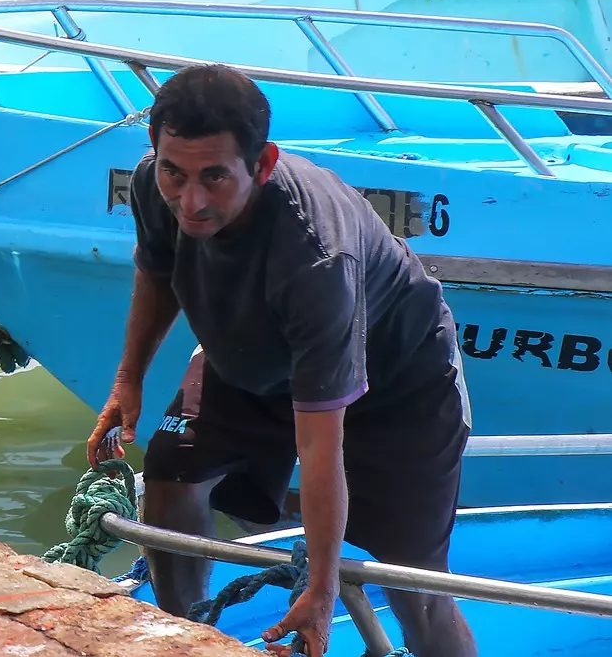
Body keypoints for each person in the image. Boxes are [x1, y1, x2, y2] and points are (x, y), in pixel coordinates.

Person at [86, 64, 475, 657]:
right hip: (253, 355)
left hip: (401, 379)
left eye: (214, 177)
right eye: (174, 171)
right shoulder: (154, 184)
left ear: (263, 164)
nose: (189, 201)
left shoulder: (316, 258)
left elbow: (319, 446)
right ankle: (188, 637)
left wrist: (319, 593)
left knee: (414, 584)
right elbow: (158, 271)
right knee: (170, 472)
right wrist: (127, 379)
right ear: (156, 153)